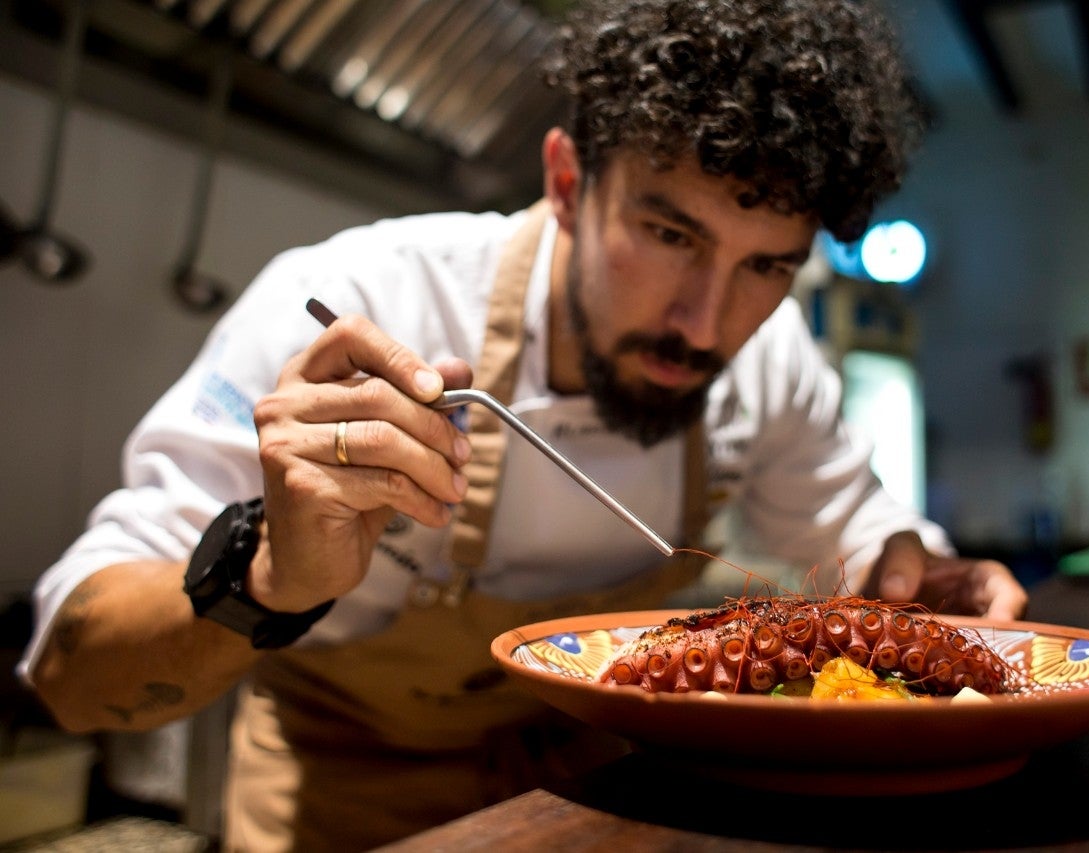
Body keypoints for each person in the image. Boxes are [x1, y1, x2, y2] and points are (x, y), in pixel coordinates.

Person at [20, 0, 1027, 849]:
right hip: (348, 811)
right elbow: (71, 680)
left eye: (766, 265)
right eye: (668, 233)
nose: (706, 323)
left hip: (606, 806)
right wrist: (266, 576)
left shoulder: (765, 366)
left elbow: (855, 532)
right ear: (565, 184)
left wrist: (914, 573)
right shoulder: (365, 300)